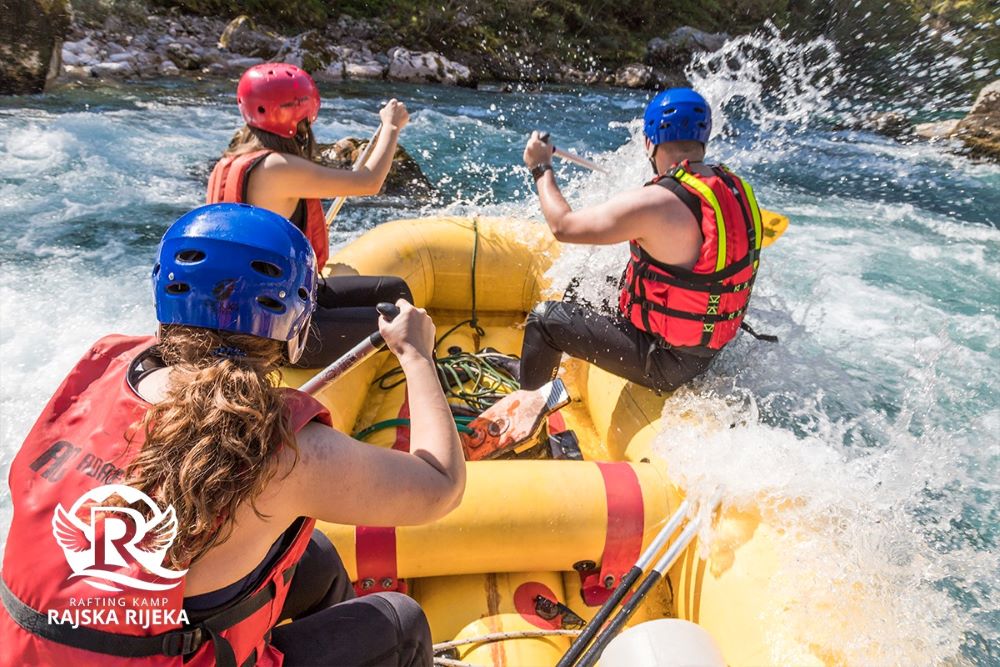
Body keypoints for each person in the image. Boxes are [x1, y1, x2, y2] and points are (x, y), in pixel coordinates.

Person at [0, 203, 465, 667]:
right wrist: (416, 354)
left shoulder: (106, 365)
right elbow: (441, 484)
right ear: (296, 321)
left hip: (30, 651)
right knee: (400, 621)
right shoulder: (288, 452)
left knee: (315, 558)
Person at [518, 87, 766, 393]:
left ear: (649, 142)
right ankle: (551, 373)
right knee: (583, 288)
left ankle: (528, 412)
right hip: (707, 349)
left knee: (544, 320)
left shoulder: (657, 203)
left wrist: (540, 167)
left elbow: (563, 227)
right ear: (704, 137)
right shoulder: (735, 189)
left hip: (665, 361)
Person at [208, 62, 414, 366]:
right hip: (275, 332)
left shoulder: (233, 160)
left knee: (395, 289)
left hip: (268, 306)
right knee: (402, 321)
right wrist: (391, 127)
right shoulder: (277, 167)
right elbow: (368, 182)